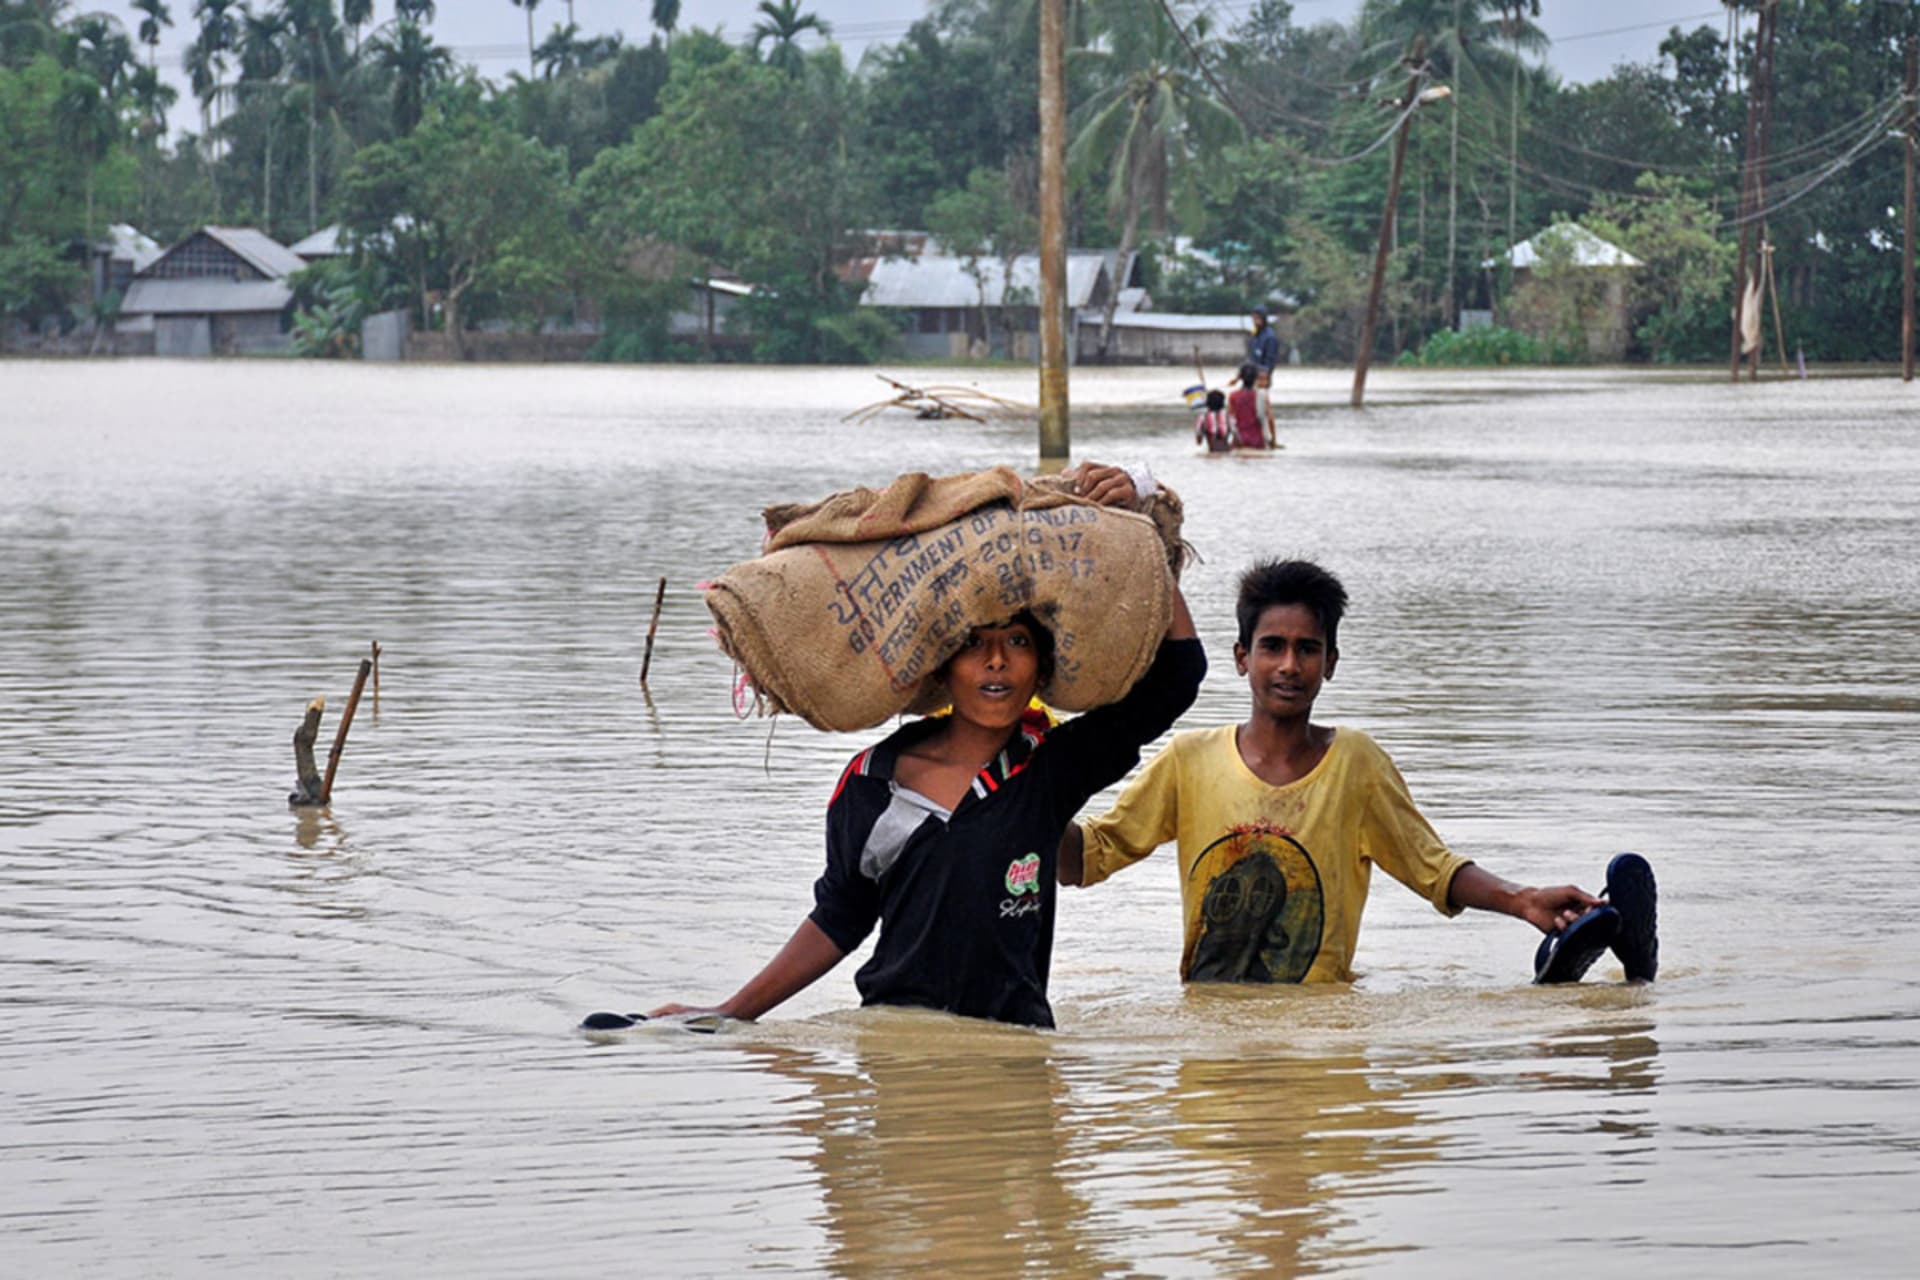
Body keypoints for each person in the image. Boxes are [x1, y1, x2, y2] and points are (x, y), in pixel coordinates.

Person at [651, 464, 1205, 1029]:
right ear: (943, 667)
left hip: (1016, 1051)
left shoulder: (1046, 770)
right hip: (898, 1044)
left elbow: (1177, 678)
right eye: (974, 644)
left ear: (1041, 668)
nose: (996, 660)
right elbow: (841, 918)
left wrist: (1144, 530)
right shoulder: (873, 783)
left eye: (1017, 642)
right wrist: (728, 1013)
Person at [1058, 558, 1609, 986]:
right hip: (1210, 1046)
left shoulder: (1355, 765)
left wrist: (1523, 899)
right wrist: (1031, 793)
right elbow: (1085, 858)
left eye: (1308, 650)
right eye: (1272, 647)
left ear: (1332, 663)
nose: (1290, 666)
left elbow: (1432, 868)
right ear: (1242, 656)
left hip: (1318, 1038)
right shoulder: (1189, 760)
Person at [1246, 307, 1280, 448]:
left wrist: (1264, 377)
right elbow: (1251, 357)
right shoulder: (1255, 335)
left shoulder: (1269, 337)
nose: (1255, 321)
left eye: (1258, 318)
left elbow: (1270, 360)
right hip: (1251, 375)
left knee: (1265, 408)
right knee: (1253, 408)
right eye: (1254, 318)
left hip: (1262, 377)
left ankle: (1272, 439)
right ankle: (1256, 436)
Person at [1228, 364, 1266, 451]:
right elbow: (1267, 418)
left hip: (1239, 439)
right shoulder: (1261, 395)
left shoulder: (1233, 396)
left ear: (1241, 377)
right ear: (1256, 378)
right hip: (1257, 439)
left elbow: (1230, 419)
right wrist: (1273, 440)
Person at [1195, 388, 1234, 453]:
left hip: (1212, 452)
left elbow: (1199, 442)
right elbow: (1236, 436)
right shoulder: (1229, 417)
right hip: (1227, 450)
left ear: (1208, 403)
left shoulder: (1202, 418)